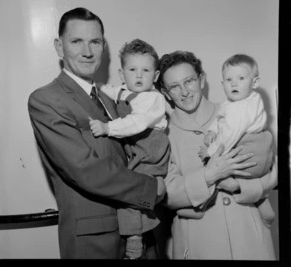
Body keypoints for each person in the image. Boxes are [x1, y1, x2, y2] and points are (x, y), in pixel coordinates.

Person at [27, 7, 167, 259]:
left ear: (103, 46)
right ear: (59, 47)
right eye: (77, 41)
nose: (88, 51)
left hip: (140, 231)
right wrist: (152, 188)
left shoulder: (111, 96)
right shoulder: (46, 99)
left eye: (95, 42)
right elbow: (86, 170)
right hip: (94, 241)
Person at [158, 50, 277, 260]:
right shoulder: (163, 135)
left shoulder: (237, 111)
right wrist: (208, 176)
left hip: (248, 234)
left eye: (189, 81)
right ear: (166, 93)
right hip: (198, 242)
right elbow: (167, 193)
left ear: (201, 80)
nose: (184, 92)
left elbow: (271, 167)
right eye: (174, 87)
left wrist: (240, 186)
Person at [89, 38, 170, 259]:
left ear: (155, 76)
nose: (139, 75)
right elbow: (109, 90)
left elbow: (137, 123)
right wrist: (95, 87)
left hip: (151, 149)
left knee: (133, 191)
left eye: (145, 70)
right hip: (136, 147)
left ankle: (135, 239)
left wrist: (107, 128)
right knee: (130, 187)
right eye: (132, 69)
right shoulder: (123, 90)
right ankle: (141, 228)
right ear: (123, 74)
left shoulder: (153, 99)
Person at [198, 54, 273, 179]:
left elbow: (229, 134)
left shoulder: (240, 107)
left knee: (214, 171)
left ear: (254, 82)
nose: (234, 84)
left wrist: (211, 151)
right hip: (258, 157)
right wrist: (212, 131)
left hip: (252, 158)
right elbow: (220, 118)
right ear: (223, 84)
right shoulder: (244, 100)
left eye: (241, 78)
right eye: (228, 80)